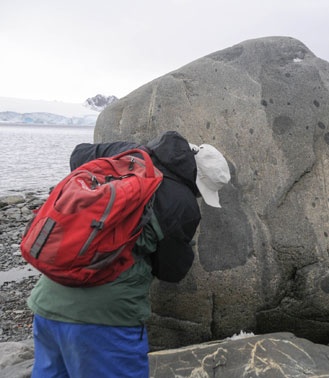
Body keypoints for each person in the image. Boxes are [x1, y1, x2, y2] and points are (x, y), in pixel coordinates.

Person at [27, 131, 231, 378]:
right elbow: (172, 271)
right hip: (105, 320)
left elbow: (78, 155)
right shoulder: (182, 202)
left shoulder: (131, 152)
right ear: (197, 180)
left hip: (48, 302)